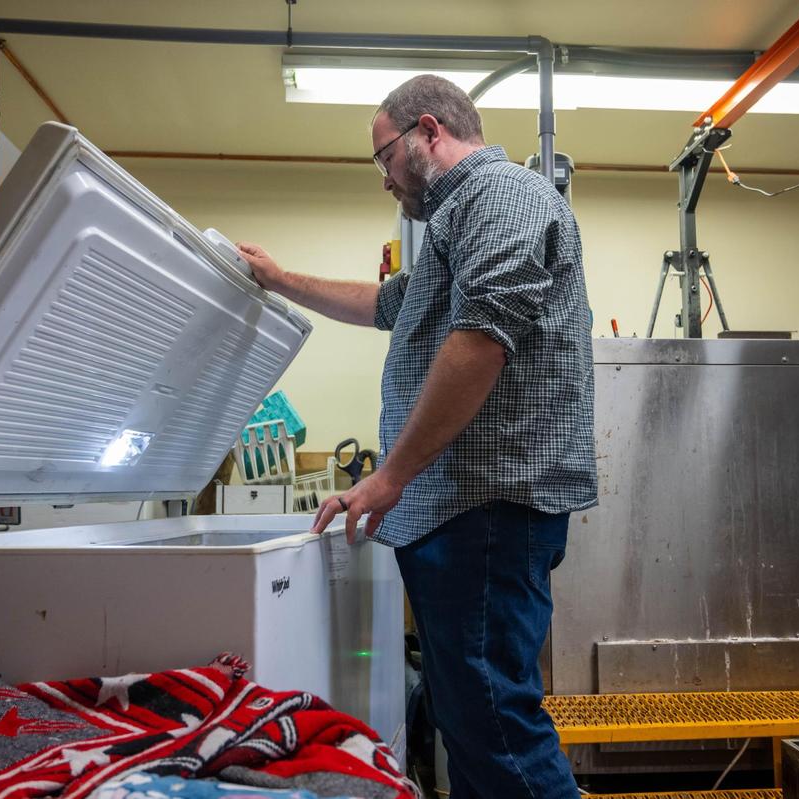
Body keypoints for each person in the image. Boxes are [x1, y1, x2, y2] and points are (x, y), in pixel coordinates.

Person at [236, 74, 597, 799]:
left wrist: (389, 476)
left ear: (429, 131)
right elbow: (381, 304)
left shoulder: (503, 196)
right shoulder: (454, 225)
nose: (386, 180)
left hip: (486, 508)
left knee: (495, 726)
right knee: (469, 726)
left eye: (385, 158)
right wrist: (277, 279)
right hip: (460, 512)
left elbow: (480, 342)